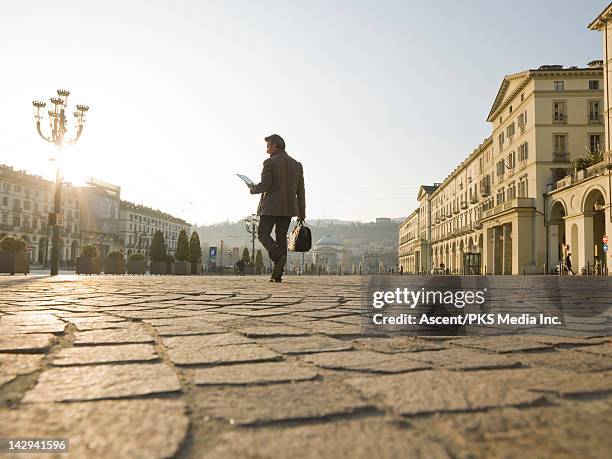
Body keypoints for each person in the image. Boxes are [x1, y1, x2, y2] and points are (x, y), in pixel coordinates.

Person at [248, 134, 305, 282]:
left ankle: (279, 257)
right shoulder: (297, 165)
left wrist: (253, 188)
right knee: (281, 237)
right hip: (289, 208)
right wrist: (302, 213)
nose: (266, 149)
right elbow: (301, 191)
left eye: (268, 145)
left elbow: (266, 185)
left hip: (271, 207)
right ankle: (277, 274)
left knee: (262, 234)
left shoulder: (269, 162)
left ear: (276, 145)